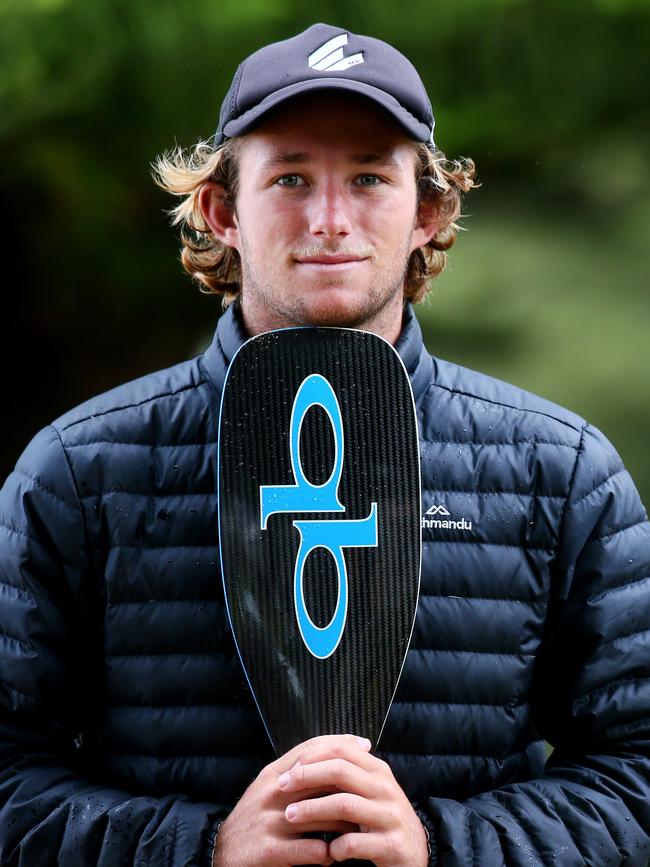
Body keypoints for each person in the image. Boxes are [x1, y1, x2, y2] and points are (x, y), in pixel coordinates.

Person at [0, 21, 648, 867]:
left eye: (372, 176)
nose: (331, 219)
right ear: (222, 210)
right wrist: (203, 849)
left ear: (430, 210)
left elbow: (635, 771)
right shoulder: (78, 472)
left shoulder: (560, 472)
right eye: (292, 176)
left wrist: (441, 844)